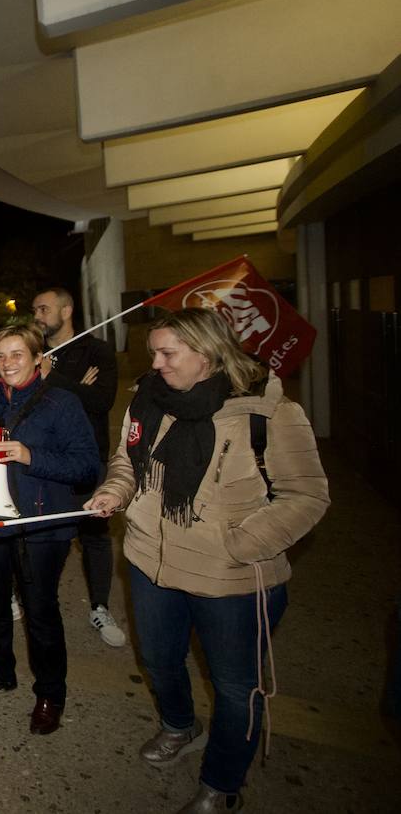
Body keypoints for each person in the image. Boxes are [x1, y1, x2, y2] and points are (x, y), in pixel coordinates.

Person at [85, 308, 328, 813]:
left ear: (208, 352)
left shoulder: (269, 412)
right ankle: (180, 725)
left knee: (235, 688)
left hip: (231, 579)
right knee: (158, 660)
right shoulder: (147, 399)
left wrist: (239, 545)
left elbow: (306, 495)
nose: (156, 363)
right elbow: (127, 460)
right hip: (151, 563)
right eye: (153, 352)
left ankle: (221, 784)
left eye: (167, 353)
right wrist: (115, 492)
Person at [0, 322, 99, 736]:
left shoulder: (62, 402)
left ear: (38, 357)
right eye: (0, 356)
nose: (7, 363)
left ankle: (51, 693)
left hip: (40, 524)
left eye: (17, 354)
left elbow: (87, 466)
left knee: (40, 612)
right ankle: (0, 670)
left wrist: (29, 455)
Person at [32, 287, 125, 648]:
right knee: (43, 534)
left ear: (67, 310)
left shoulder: (96, 351)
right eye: (35, 310)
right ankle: (38, 602)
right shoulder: (35, 351)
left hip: (87, 459)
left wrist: (52, 379)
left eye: (44, 309)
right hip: (45, 460)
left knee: (94, 535)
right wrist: (72, 388)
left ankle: (100, 606)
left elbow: (101, 401)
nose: (37, 316)